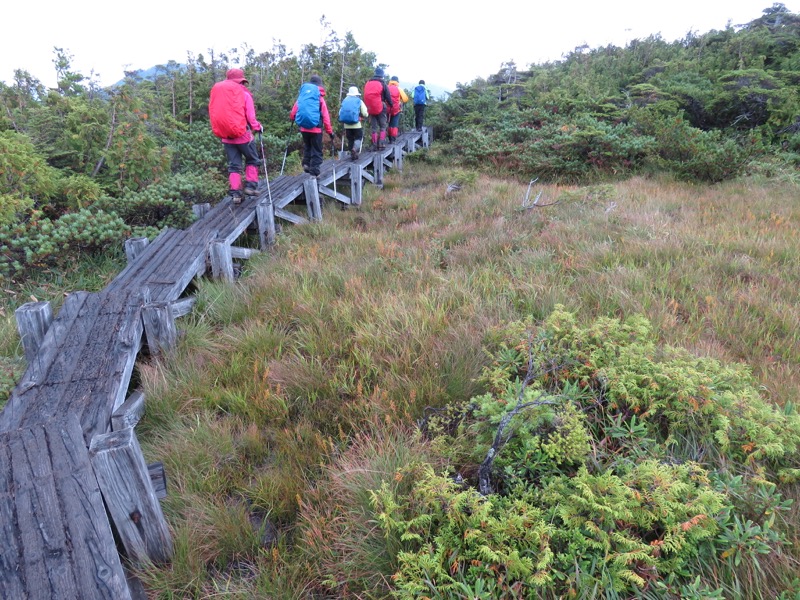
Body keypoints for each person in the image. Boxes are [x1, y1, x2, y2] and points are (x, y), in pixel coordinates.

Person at [208, 68, 264, 203]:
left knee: (234, 165)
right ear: (241, 81)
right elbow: (251, 117)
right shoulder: (245, 95)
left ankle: (236, 194)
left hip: (226, 136)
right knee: (252, 160)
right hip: (243, 135)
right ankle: (250, 187)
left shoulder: (220, 95)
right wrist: (258, 127)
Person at [289, 74, 334, 178]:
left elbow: (294, 110)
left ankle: (306, 163)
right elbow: (326, 117)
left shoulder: (303, 96)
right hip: (316, 129)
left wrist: (292, 118)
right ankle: (314, 172)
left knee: (308, 146)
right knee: (317, 150)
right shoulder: (320, 99)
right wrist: (330, 132)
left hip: (304, 128)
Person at [363, 67, 393, 151]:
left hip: (370, 108)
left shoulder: (368, 82)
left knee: (374, 127)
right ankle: (381, 143)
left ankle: (374, 145)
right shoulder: (383, 83)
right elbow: (388, 96)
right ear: (382, 76)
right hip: (380, 106)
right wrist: (391, 105)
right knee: (383, 125)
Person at [339, 86, 369, 160]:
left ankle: (352, 155)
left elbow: (340, 113)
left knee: (350, 139)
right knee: (358, 138)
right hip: (356, 125)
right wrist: (366, 115)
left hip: (347, 125)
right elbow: (365, 113)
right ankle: (355, 149)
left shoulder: (345, 100)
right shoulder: (359, 101)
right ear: (356, 94)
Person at [387, 76, 409, 143]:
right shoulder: (399, 89)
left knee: (387, 124)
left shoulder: (386, 87)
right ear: (397, 81)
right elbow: (405, 99)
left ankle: (387, 138)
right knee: (394, 124)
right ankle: (393, 139)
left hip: (387, 109)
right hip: (396, 109)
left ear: (390, 81)